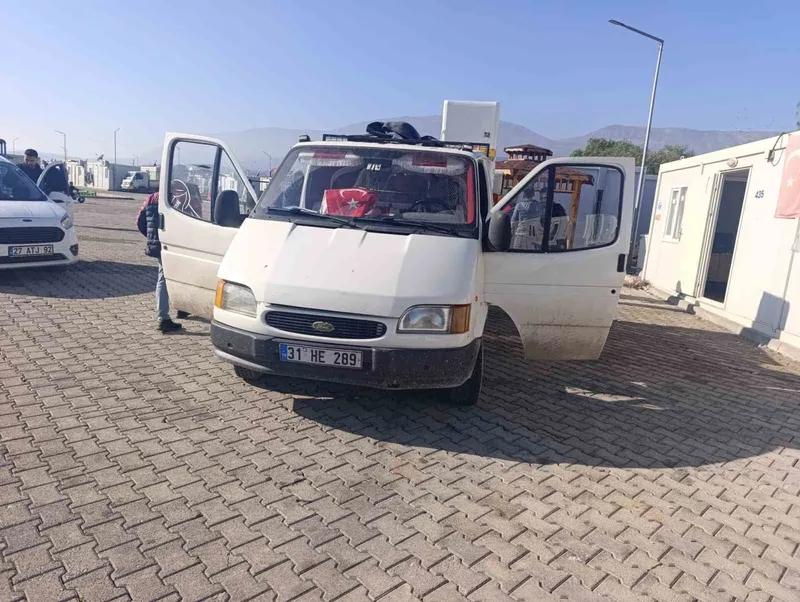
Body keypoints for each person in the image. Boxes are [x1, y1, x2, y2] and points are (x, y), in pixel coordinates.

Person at [136, 192, 188, 332]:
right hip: (174, 243)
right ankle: (165, 317)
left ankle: (178, 309)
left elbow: (139, 220)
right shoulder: (177, 197)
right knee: (170, 277)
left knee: (164, 277)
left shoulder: (150, 198)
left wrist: (151, 237)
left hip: (159, 243)